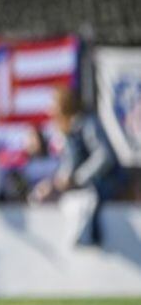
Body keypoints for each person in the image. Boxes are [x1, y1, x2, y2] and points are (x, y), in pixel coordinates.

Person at [29, 87, 126, 246]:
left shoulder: (88, 123)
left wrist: (77, 178)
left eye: (53, 104)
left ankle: (90, 239)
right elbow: (70, 162)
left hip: (104, 183)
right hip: (81, 184)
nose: (50, 110)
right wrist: (57, 182)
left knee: (85, 202)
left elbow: (104, 156)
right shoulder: (66, 132)